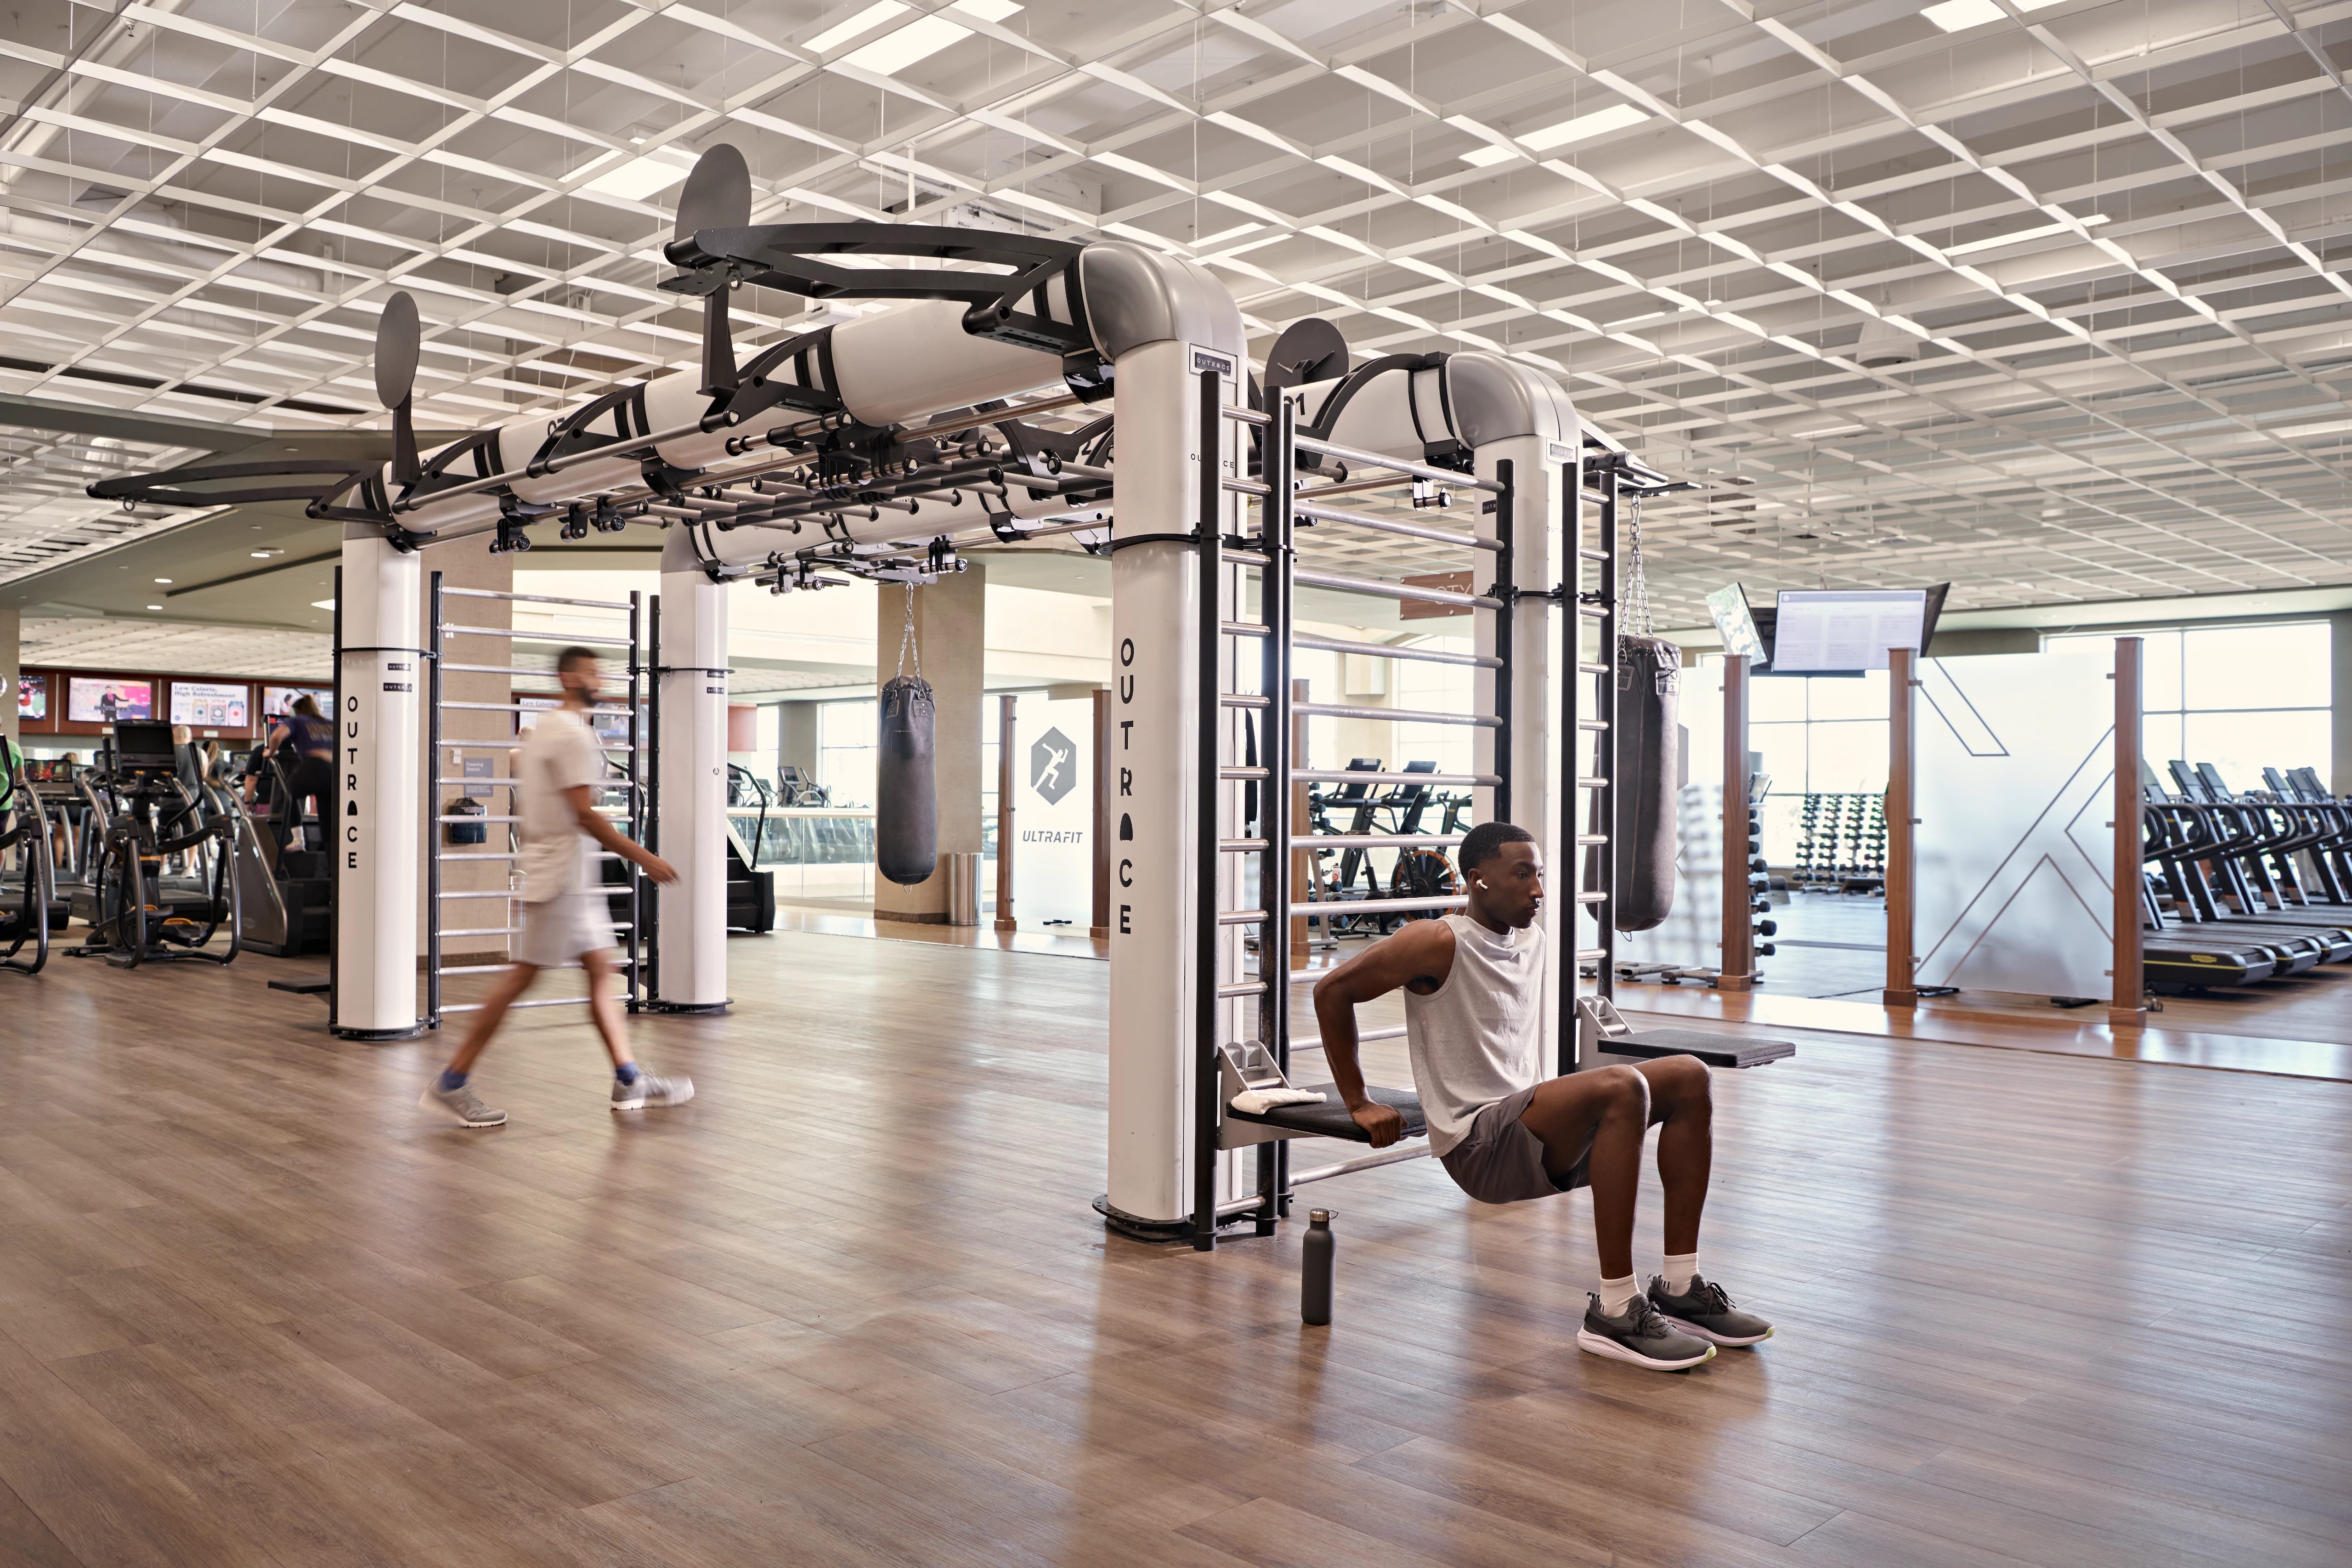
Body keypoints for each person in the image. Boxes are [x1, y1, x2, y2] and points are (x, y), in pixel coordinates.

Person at [1312, 820, 1772, 1372]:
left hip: (1532, 1129)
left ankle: (1678, 1285)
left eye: (1540, 874)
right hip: (1479, 1144)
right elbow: (1331, 991)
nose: (1537, 888)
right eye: (1522, 874)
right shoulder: (1434, 941)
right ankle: (1616, 1308)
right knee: (1623, 1084)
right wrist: (1358, 1099)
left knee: (1690, 1076)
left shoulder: (1532, 939)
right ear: (1477, 880)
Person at [420, 647, 689, 1128]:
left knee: (601, 969)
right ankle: (453, 1079)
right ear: (567, 677)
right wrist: (645, 857)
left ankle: (628, 1076)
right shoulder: (571, 734)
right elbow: (584, 814)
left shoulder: (545, 727)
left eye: (598, 671)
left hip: (566, 871)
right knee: (522, 978)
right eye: (590, 672)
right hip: (562, 873)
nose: (599, 679)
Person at [266, 696, 334, 850]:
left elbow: (277, 736)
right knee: (327, 814)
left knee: (288, 794)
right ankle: (331, 864)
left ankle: (298, 840)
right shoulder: (330, 724)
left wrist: (271, 752)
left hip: (315, 764)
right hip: (335, 770)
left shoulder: (298, 721)